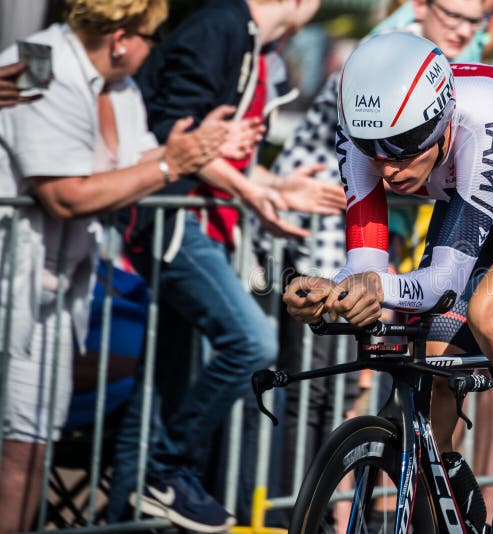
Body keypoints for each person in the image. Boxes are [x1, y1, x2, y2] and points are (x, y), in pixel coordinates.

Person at [284, 32, 493, 534]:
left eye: (402, 148)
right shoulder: (364, 138)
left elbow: (442, 283)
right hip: (473, 205)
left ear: (440, 123)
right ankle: (450, 481)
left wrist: (375, 288)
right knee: (435, 358)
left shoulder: (484, 121)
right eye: (372, 149)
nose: (387, 167)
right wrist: (333, 294)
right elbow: (365, 264)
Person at [0, 0, 235, 532]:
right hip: (15, 288)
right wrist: (170, 163)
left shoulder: (120, 90)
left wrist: (183, 161)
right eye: (152, 37)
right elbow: (66, 195)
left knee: (35, 444)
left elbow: (143, 167)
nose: (156, 49)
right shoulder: (42, 65)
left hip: (58, 292)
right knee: (19, 450)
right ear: (122, 37)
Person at [104, 1, 328, 531]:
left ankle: (130, 509)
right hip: (172, 223)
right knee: (253, 341)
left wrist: (275, 187)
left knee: (161, 387)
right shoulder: (221, 26)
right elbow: (173, 134)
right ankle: (164, 470)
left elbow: (213, 148)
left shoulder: (248, 37)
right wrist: (252, 190)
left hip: (189, 223)